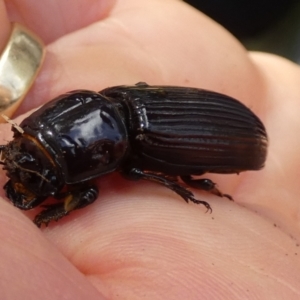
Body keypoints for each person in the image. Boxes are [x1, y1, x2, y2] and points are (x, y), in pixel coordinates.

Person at [0, 0, 299, 299]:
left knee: (145, 172)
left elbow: (87, 193)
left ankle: (191, 184)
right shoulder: (115, 101)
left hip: (236, 136)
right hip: (235, 115)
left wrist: (47, 215)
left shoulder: (138, 140)